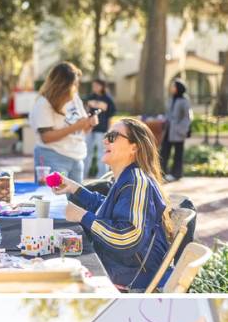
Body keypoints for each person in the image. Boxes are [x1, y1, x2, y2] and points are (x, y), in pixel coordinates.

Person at [54, 118, 173, 291]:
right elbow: (109, 209)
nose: (104, 140)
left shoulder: (137, 183)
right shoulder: (127, 178)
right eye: (106, 135)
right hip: (122, 269)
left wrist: (82, 216)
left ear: (134, 147)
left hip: (135, 280)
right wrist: (75, 188)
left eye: (113, 136)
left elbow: (127, 237)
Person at [29, 62, 97, 183]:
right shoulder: (43, 104)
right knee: (53, 200)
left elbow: (82, 130)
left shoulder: (74, 98)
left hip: (77, 157)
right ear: (61, 85)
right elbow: (46, 137)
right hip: (53, 157)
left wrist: (90, 123)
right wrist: (76, 126)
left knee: (76, 201)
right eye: (73, 84)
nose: (76, 87)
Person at [83, 78, 116, 180]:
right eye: (93, 86)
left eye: (97, 85)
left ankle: (102, 178)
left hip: (102, 130)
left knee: (101, 154)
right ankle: (83, 175)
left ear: (102, 86)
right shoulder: (90, 97)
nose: (94, 87)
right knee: (87, 153)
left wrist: (109, 130)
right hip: (89, 129)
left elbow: (110, 115)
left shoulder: (108, 99)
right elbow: (86, 112)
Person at [160, 79, 192, 181]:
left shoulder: (184, 100)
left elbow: (187, 117)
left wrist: (181, 129)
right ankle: (162, 172)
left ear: (178, 88)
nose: (171, 88)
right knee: (164, 151)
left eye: (173, 86)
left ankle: (176, 174)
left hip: (178, 131)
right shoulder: (171, 99)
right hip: (168, 130)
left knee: (178, 153)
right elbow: (168, 114)